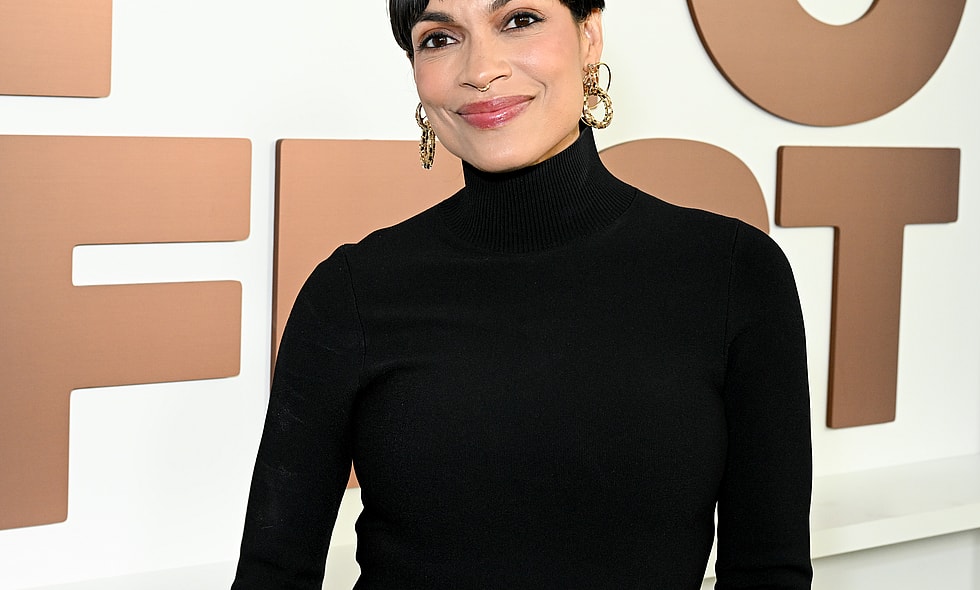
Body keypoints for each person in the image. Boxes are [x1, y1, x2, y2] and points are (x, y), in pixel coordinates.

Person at [232, 0, 813, 588]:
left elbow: (768, 571)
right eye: (439, 38)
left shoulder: (732, 273)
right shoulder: (352, 292)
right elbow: (271, 575)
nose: (481, 69)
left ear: (589, 36)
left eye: (519, 20)